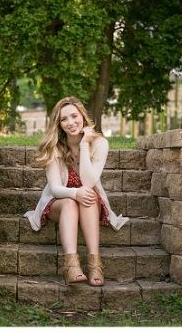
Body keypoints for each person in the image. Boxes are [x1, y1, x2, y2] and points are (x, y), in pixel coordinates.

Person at [25, 96, 127, 287]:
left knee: (88, 196)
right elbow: (55, 188)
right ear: (59, 123)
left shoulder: (99, 144)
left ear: (82, 115)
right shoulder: (53, 147)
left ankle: (95, 264)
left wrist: (84, 145)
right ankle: (71, 265)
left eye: (74, 116)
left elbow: (88, 182)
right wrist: (74, 193)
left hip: (88, 201)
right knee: (73, 201)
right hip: (59, 202)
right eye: (64, 119)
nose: (70, 122)